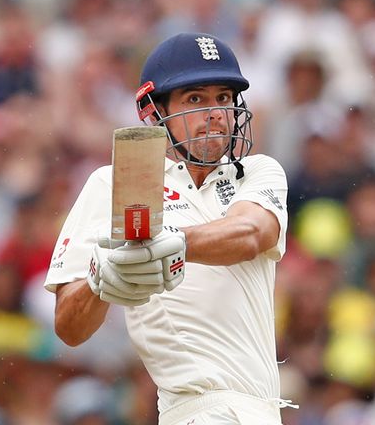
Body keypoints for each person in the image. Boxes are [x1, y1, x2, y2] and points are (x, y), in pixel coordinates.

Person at [45, 32, 291, 424]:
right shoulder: (115, 183)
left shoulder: (257, 172)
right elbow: (69, 328)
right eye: (195, 99)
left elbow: (250, 234)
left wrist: (169, 242)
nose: (215, 113)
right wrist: (100, 279)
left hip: (261, 411)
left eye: (224, 98)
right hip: (193, 410)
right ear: (156, 111)